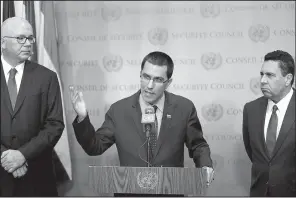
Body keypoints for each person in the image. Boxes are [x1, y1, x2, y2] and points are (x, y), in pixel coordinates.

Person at [70, 51, 214, 193]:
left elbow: (198, 145)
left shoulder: (184, 108)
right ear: (140, 75)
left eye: (157, 79)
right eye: (146, 77)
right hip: (130, 192)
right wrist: (82, 117)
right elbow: (94, 147)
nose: (149, 85)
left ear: (168, 83)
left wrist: (205, 166)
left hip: (170, 191)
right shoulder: (119, 110)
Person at [0, 17, 64, 196]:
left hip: (37, 178)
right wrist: (5, 157)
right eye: (21, 38)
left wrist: (22, 155)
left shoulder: (47, 77)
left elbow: (55, 125)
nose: (28, 43)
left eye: (30, 38)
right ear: (2, 42)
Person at [242, 50, 296, 197]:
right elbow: (253, 152)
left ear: (288, 79)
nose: (263, 80)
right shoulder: (250, 109)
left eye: (270, 75)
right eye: (262, 74)